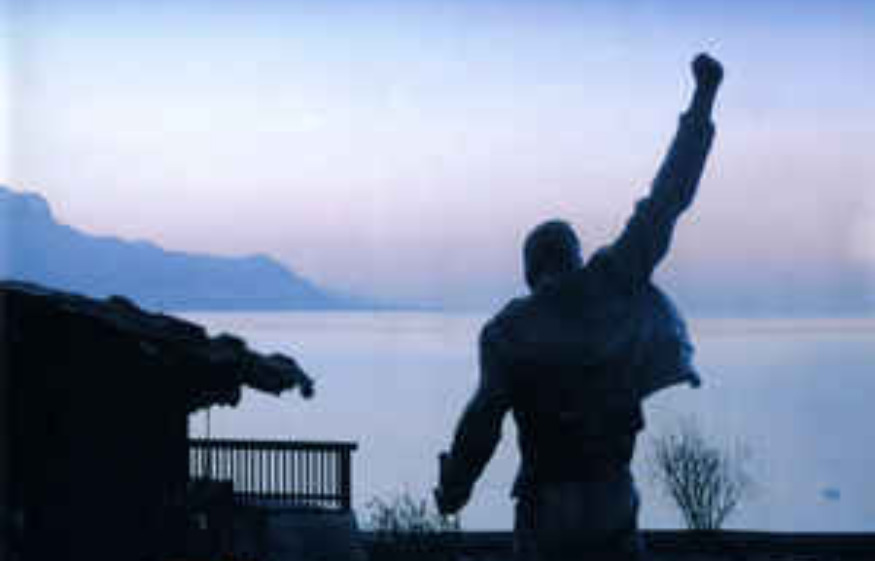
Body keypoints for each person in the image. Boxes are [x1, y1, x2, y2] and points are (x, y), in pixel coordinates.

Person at [434, 53, 724, 561]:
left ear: (530, 271)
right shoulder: (615, 281)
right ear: (575, 257)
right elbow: (668, 198)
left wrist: (455, 486)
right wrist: (703, 100)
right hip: (612, 494)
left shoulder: (508, 330)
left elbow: (484, 417)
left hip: (548, 506)